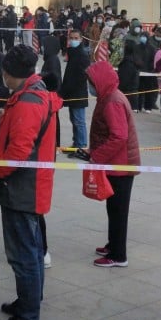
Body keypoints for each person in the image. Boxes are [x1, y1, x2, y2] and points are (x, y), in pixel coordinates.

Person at [0, 45, 59, 320]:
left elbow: (19, 150)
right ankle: (29, 301)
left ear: (8, 73)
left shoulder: (29, 101)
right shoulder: (29, 95)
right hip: (29, 184)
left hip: (22, 187)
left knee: (24, 254)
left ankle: (28, 316)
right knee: (30, 250)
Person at [85, 61, 139, 268]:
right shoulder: (109, 96)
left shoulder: (112, 101)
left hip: (120, 165)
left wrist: (97, 156)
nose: (89, 86)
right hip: (116, 163)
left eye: (91, 82)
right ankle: (113, 244)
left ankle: (118, 255)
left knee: (118, 211)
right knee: (113, 208)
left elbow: (119, 136)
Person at [60, 29, 90, 158]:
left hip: (78, 93)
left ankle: (82, 146)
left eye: (76, 38)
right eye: (71, 37)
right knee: (74, 119)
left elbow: (81, 77)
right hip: (72, 93)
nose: (73, 40)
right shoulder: (72, 53)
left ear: (81, 39)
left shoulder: (82, 55)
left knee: (79, 120)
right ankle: (76, 143)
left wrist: (66, 90)